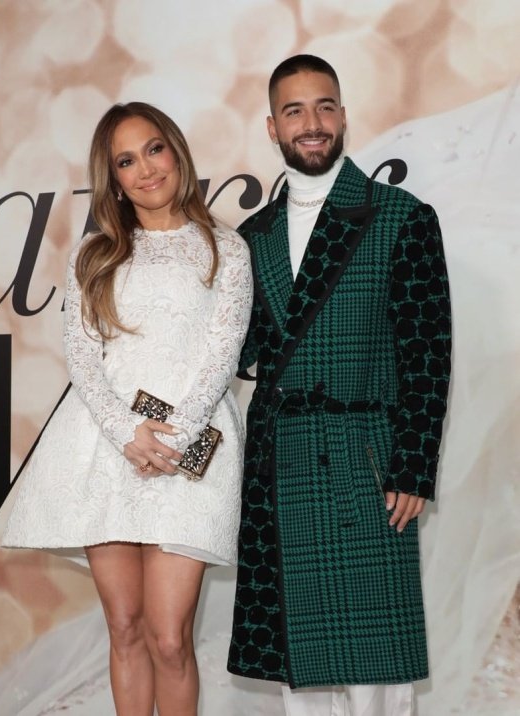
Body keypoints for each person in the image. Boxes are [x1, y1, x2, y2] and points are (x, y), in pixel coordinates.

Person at [1, 101, 253, 716]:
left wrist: (170, 439)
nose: (145, 168)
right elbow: (83, 360)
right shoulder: (94, 253)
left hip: (194, 447)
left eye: (154, 149)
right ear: (113, 178)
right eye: (126, 160)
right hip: (106, 445)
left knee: (171, 639)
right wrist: (126, 434)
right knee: (125, 627)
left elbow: (222, 356)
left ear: (177, 151)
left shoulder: (226, 249)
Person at [227, 55, 451, 716]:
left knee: (376, 662)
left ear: (344, 116)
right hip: (283, 461)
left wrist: (412, 465)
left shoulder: (400, 217)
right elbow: (233, 353)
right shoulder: (251, 237)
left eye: (324, 106)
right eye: (294, 111)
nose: (312, 123)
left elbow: (427, 350)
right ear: (272, 127)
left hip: (367, 457)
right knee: (305, 669)